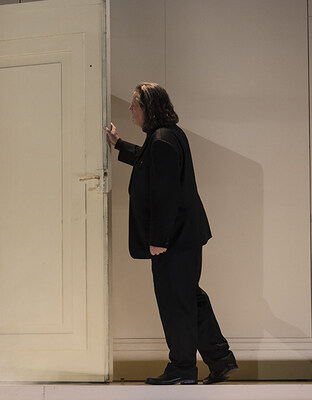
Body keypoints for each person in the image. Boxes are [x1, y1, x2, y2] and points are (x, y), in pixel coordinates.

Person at [105, 83, 237, 385]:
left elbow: (165, 196)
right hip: (184, 237)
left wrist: (158, 240)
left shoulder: (162, 139)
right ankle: (220, 359)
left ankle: (182, 368)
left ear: (148, 108)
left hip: (173, 240)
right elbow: (149, 164)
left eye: (134, 105)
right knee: (188, 297)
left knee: (175, 302)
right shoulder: (166, 135)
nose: (130, 110)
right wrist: (119, 144)